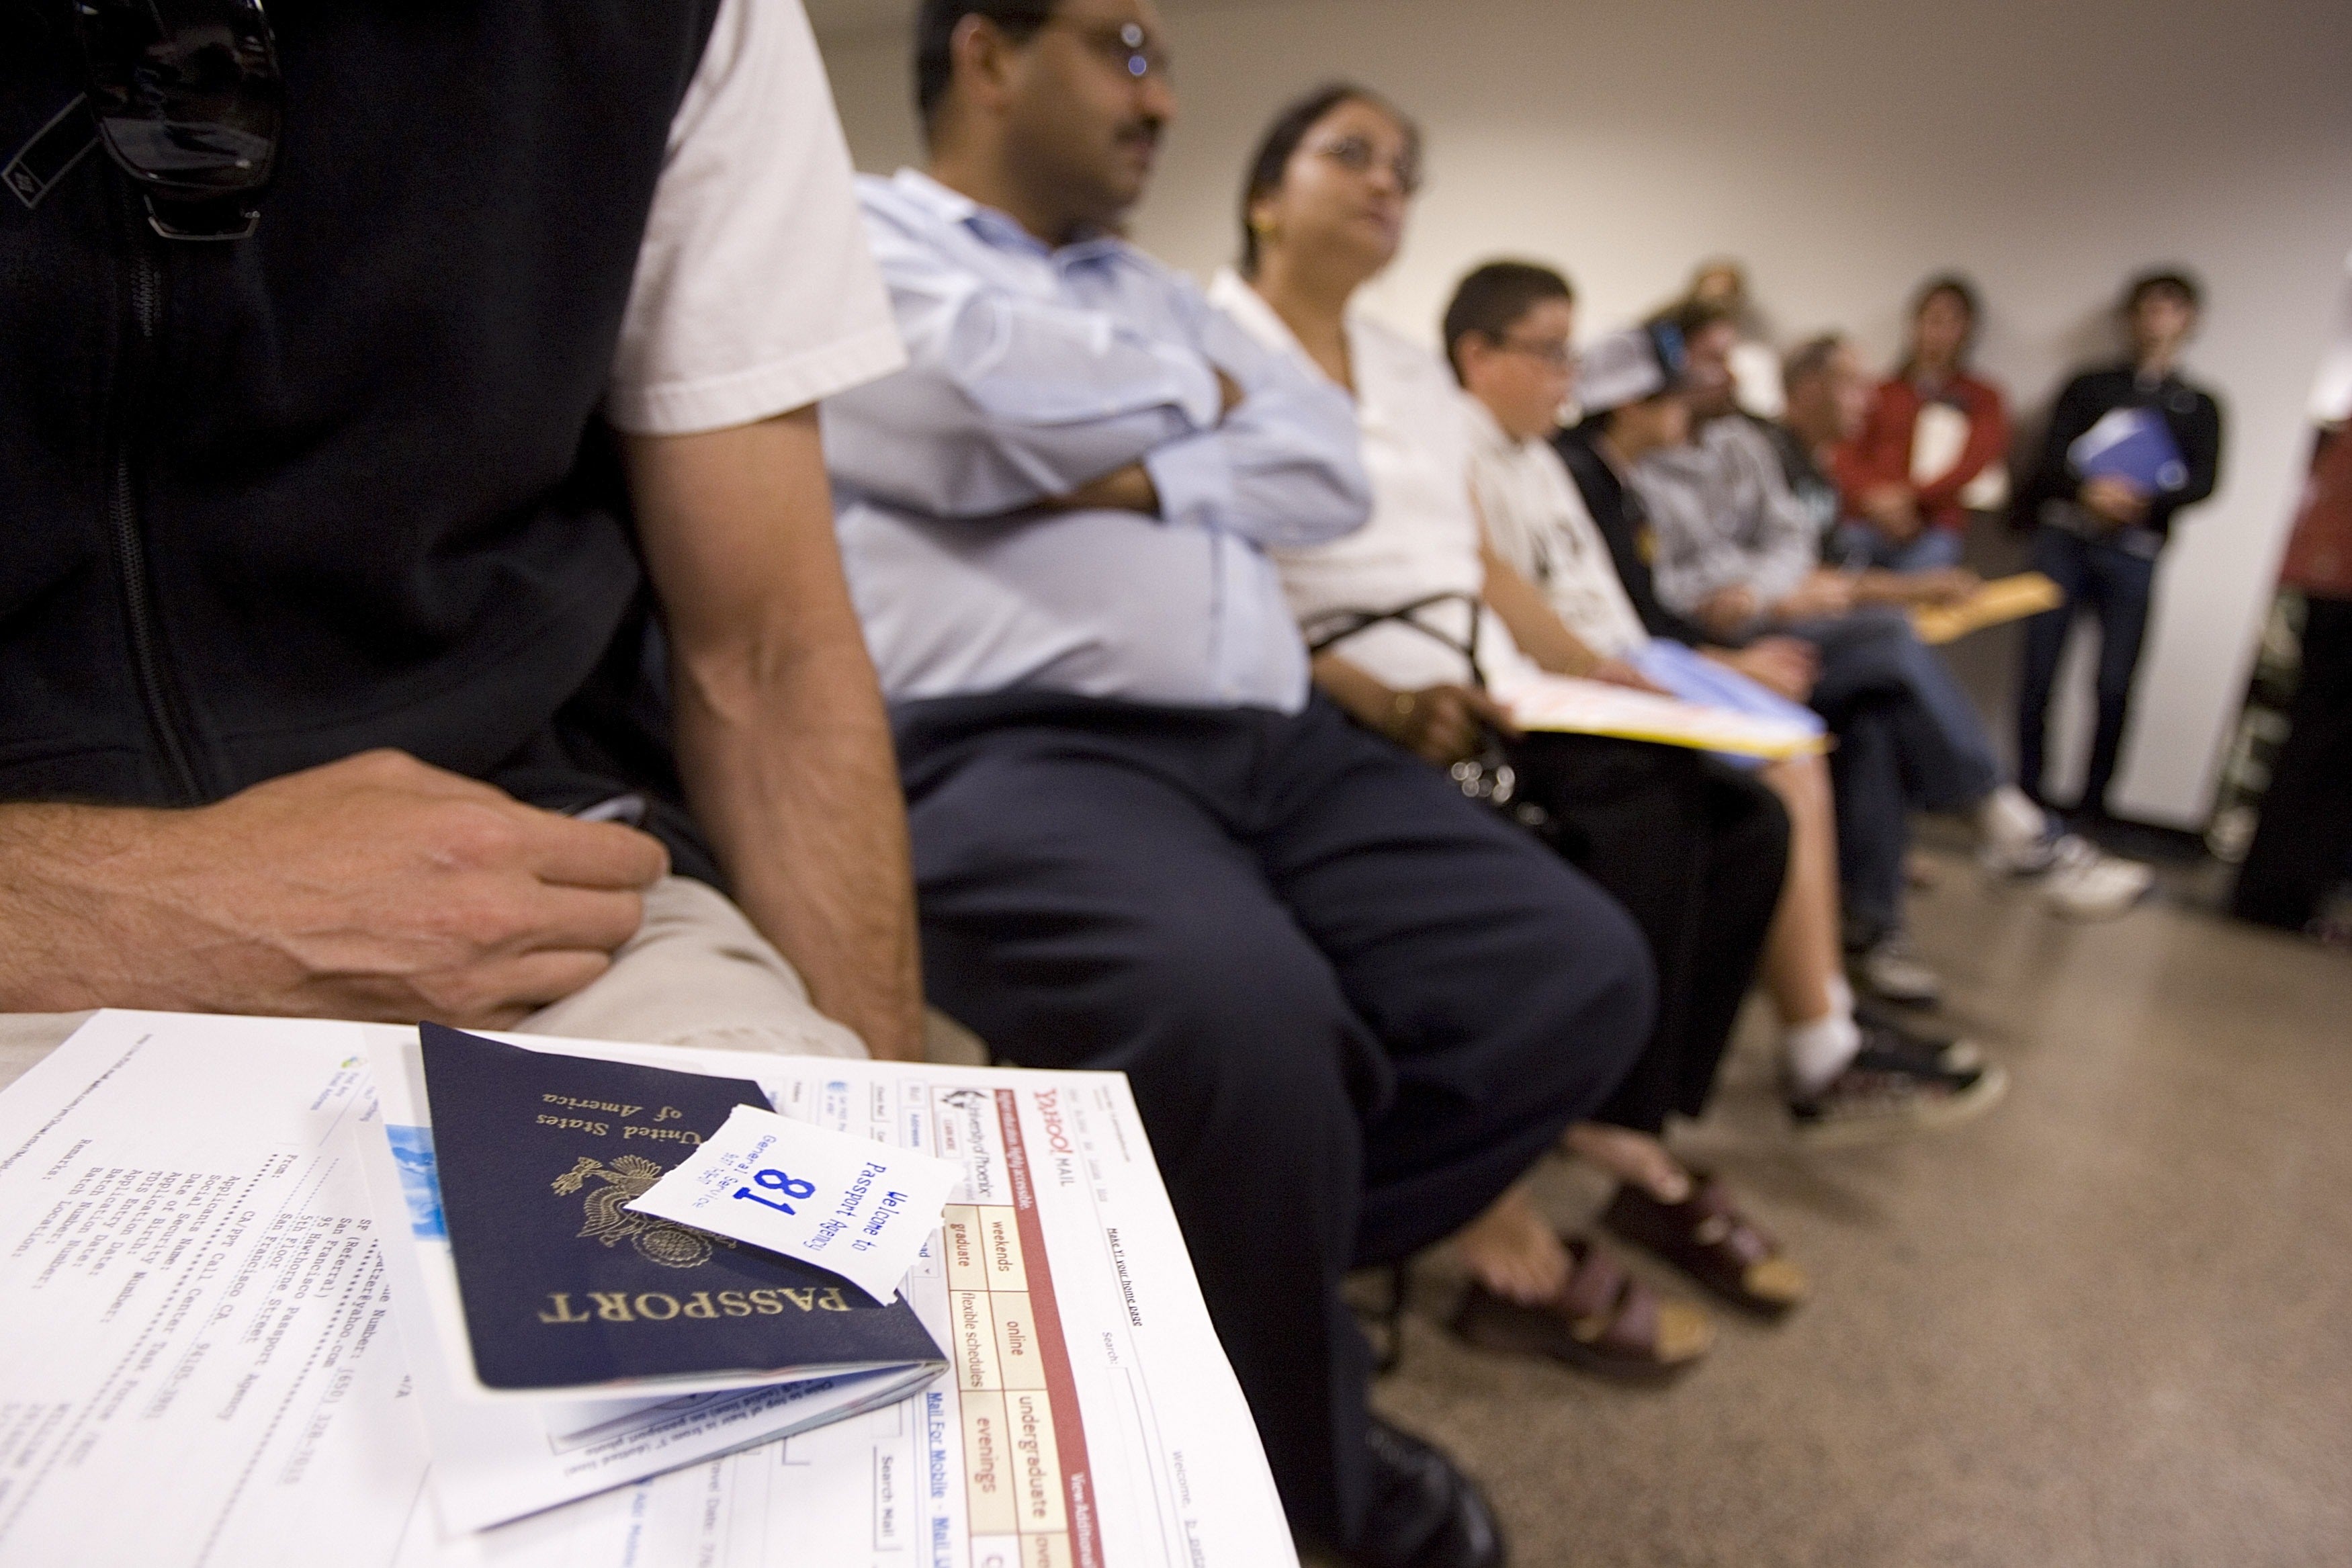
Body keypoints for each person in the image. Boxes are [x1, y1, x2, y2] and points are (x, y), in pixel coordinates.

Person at [821, 13, 1653, 1567]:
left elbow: (1323, 464)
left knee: (1576, 975)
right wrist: (1200, 412)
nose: (1165, 97)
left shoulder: (1145, 292)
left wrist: (1130, 442)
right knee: (1247, 1035)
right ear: (990, 55)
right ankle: (1300, 1489)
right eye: (1125, 49)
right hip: (1021, 746)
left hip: (1280, 743)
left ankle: (1184, 1305)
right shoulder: (857, 233)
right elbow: (954, 426)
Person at [0, 1, 923, 1063]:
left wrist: (901, 1134)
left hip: (527, 890)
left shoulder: (679, 26)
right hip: (34, 919)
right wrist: (105, 909)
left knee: (827, 1210)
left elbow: (766, 654)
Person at [1216, 95, 1794, 1365]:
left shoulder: (1406, 368)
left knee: (1741, 815)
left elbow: (1475, 560)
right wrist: (1360, 687)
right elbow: (1211, 565)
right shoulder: (1209, 339)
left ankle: (1611, 1115)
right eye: (1350, 155)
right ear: (1267, 192)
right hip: (1337, 690)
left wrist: (1597, 670)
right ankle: (1501, 1178)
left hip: (1472, 674)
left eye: (1405, 169)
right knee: (1623, 815)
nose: (1387, 183)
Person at [1446, 264, 2002, 1141]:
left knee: (1812, 748)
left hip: (1626, 663)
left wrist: (1686, 659)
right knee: (1780, 767)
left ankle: (1819, 1024)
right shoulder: (1472, 449)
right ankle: (1809, 1036)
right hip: (1573, 682)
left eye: (1569, 355)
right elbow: (1513, 591)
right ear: (1476, 356)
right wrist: (1682, 660)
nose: (1566, 375)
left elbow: (1620, 605)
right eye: (1549, 354)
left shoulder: (1549, 464)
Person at [1628, 300, 2157, 986]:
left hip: (1763, 628)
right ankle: (2005, 829)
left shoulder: (1766, 456)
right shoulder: (1700, 456)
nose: (1868, 399)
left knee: (1875, 711)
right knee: (1884, 643)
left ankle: (1878, 928)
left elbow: (1777, 564)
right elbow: (1702, 586)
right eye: (1711, 357)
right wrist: (1774, 602)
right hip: (1718, 648)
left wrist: (1889, 588)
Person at [2013, 269, 2226, 820]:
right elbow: (2049, 457)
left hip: (2133, 554)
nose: (2156, 321)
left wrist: (2144, 501)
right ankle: (2027, 798)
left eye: (2170, 309)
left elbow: (2203, 481)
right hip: (2066, 541)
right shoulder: (2089, 386)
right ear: (2129, 318)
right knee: (2038, 672)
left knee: (2113, 684)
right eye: (2147, 308)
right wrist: (2088, 490)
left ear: (2189, 320)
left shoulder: (2199, 405)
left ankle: (2093, 808)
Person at [2231, 420, 2352, 933]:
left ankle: (2282, 895)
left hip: (2331, 587)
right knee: (2326, 749)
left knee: (2321, 746)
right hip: (2339, 593)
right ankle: (2281, 898)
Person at [1831, 275, 2011, 572]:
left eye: (1953, 321)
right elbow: (1843, 452)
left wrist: (1910, 498)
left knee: (1918, 596)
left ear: (1968, 330)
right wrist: (1876, 499)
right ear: (1915, 323)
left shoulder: (1984, 397)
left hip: (1934, 526)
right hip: (1866, 518)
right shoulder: (1878, 392)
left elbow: (1976, 461)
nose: (1940, 332)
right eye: (1934, 319)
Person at [1684, 257, 1786, 419]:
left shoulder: (1758, 359)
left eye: (1726, 298)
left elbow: (1768, 410)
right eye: (1709, 300)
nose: (1718, 308)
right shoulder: (1676, 355)